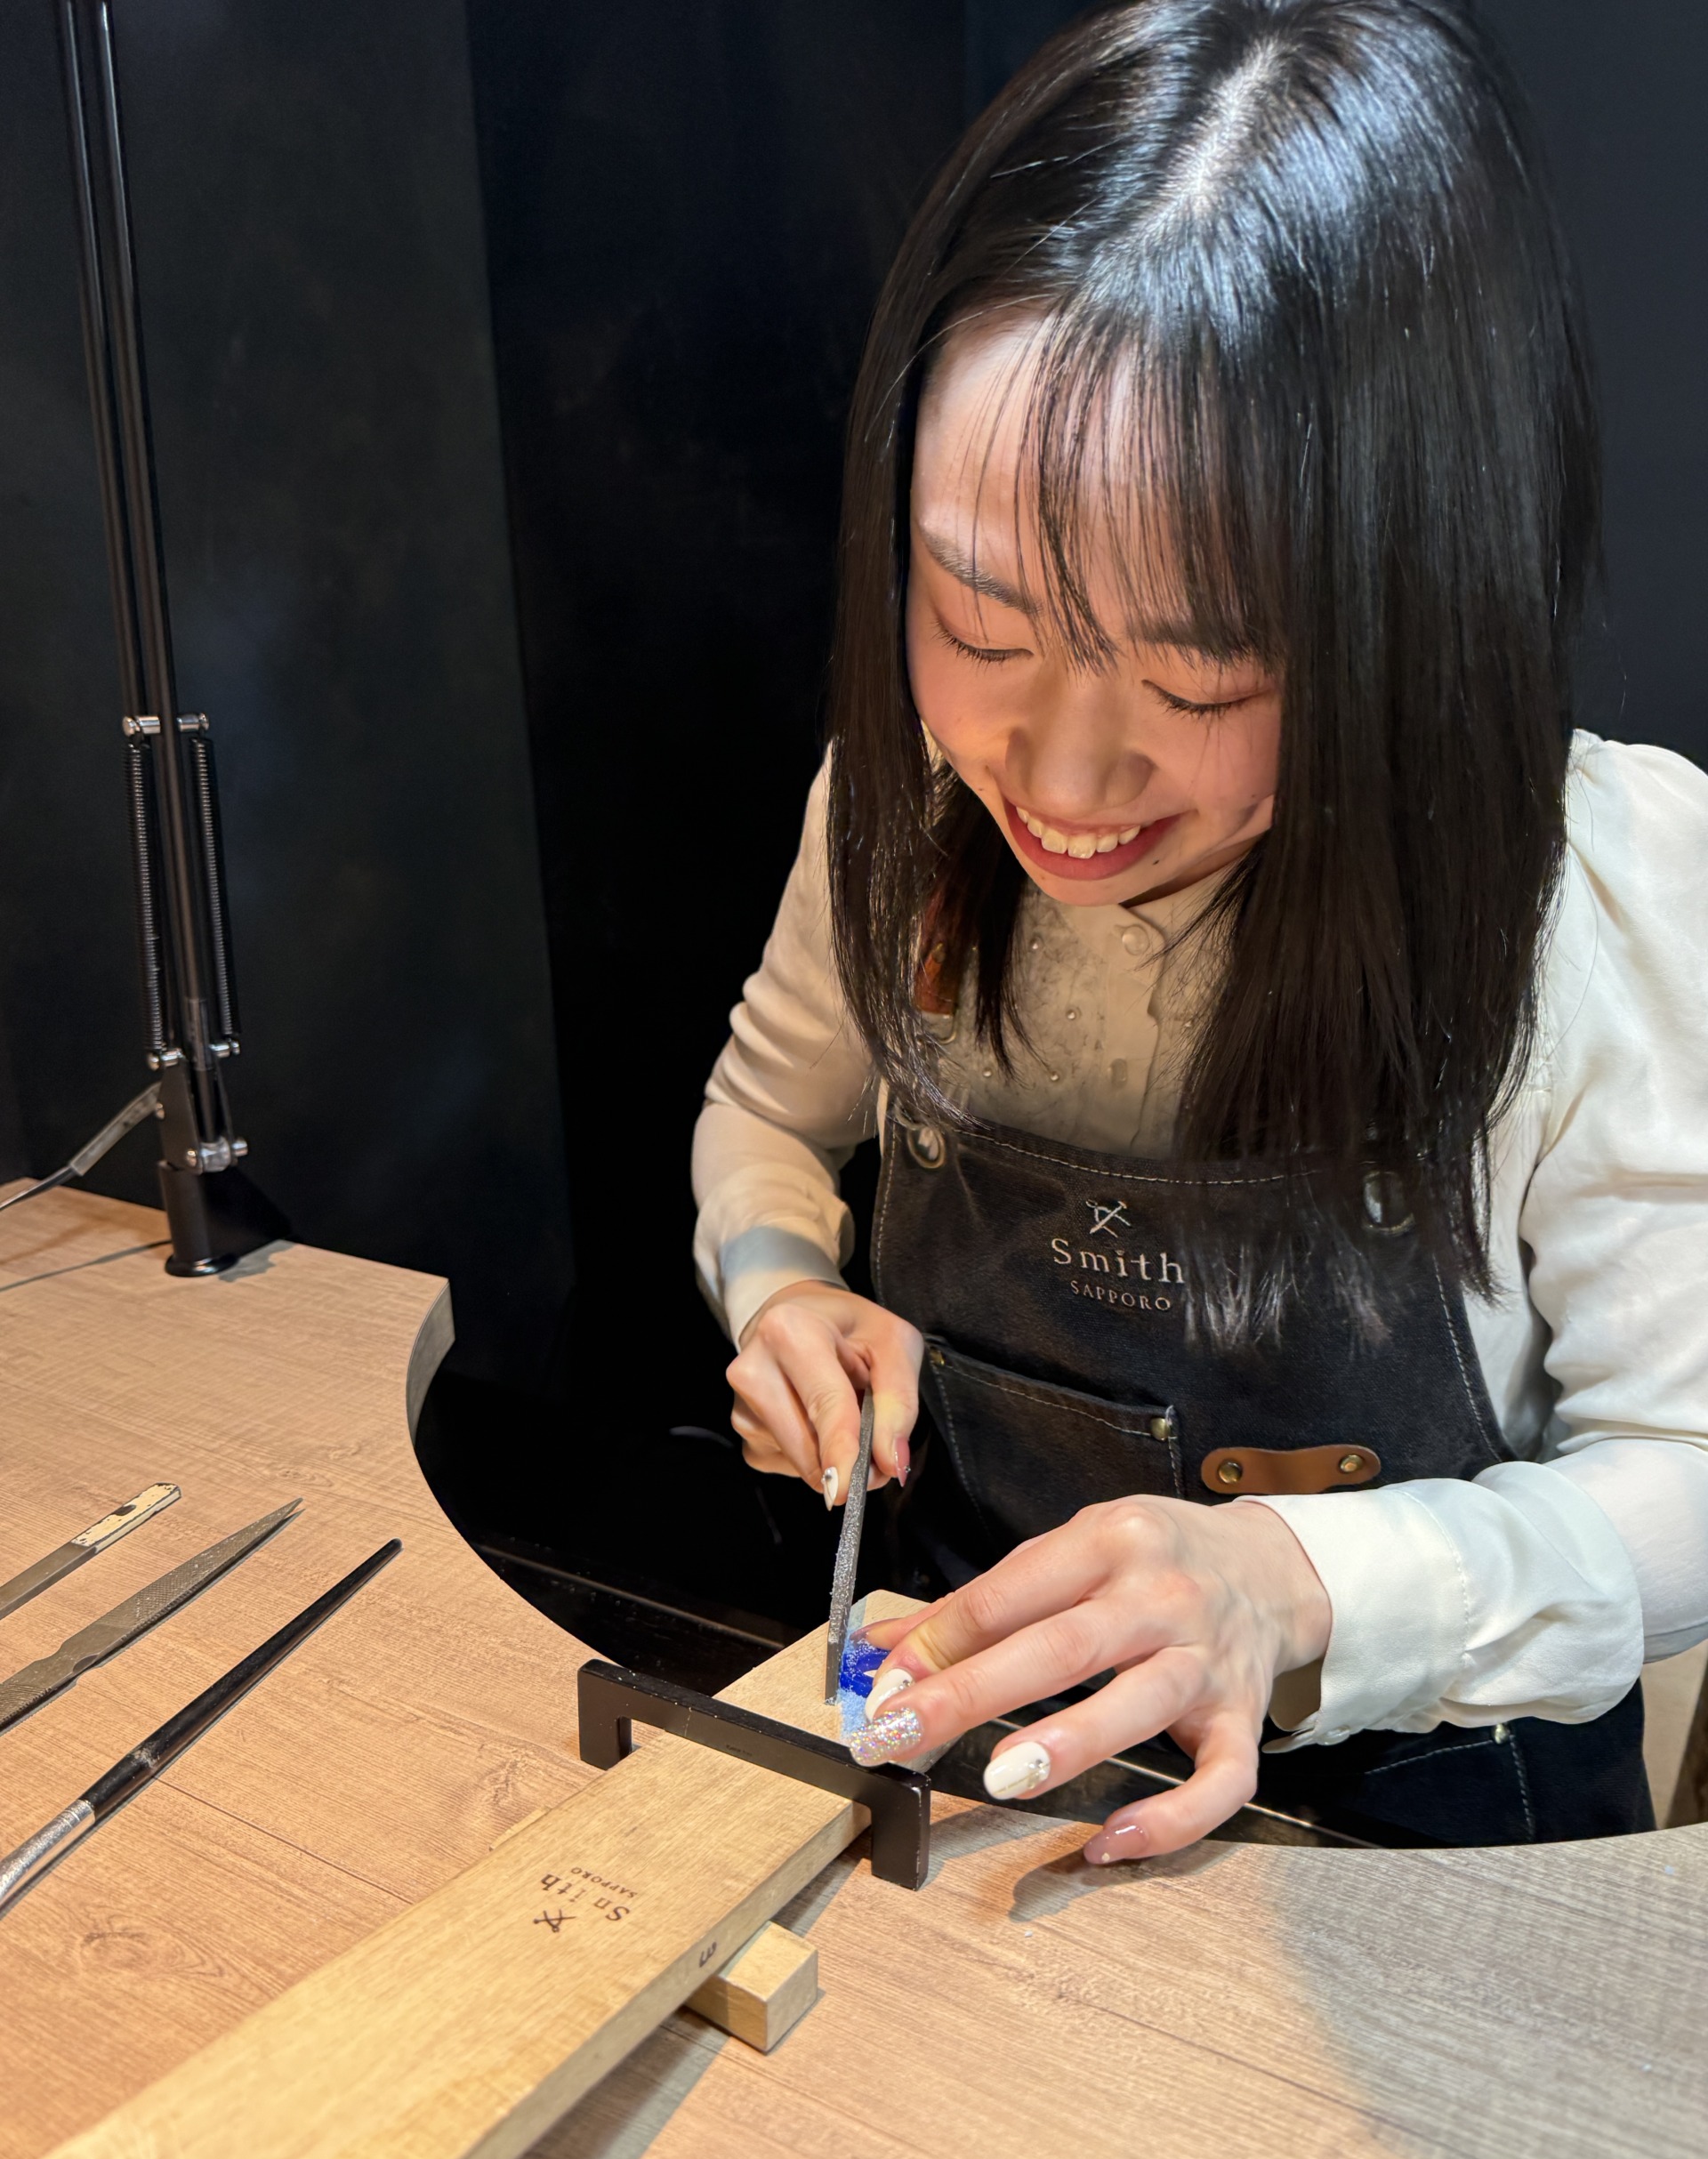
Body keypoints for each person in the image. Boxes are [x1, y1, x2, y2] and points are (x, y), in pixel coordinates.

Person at [691, 0, 1708, 1857]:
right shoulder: (906, 808)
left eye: (1198, 669)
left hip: (1422, 1835)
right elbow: (766, 1116)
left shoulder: (1593, 894)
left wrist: (1295, 1582)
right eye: (982, 619)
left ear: (1418, 598)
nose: (1063, 775)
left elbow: (1688, 1475)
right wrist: (779, 1287)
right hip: (987, 1791)